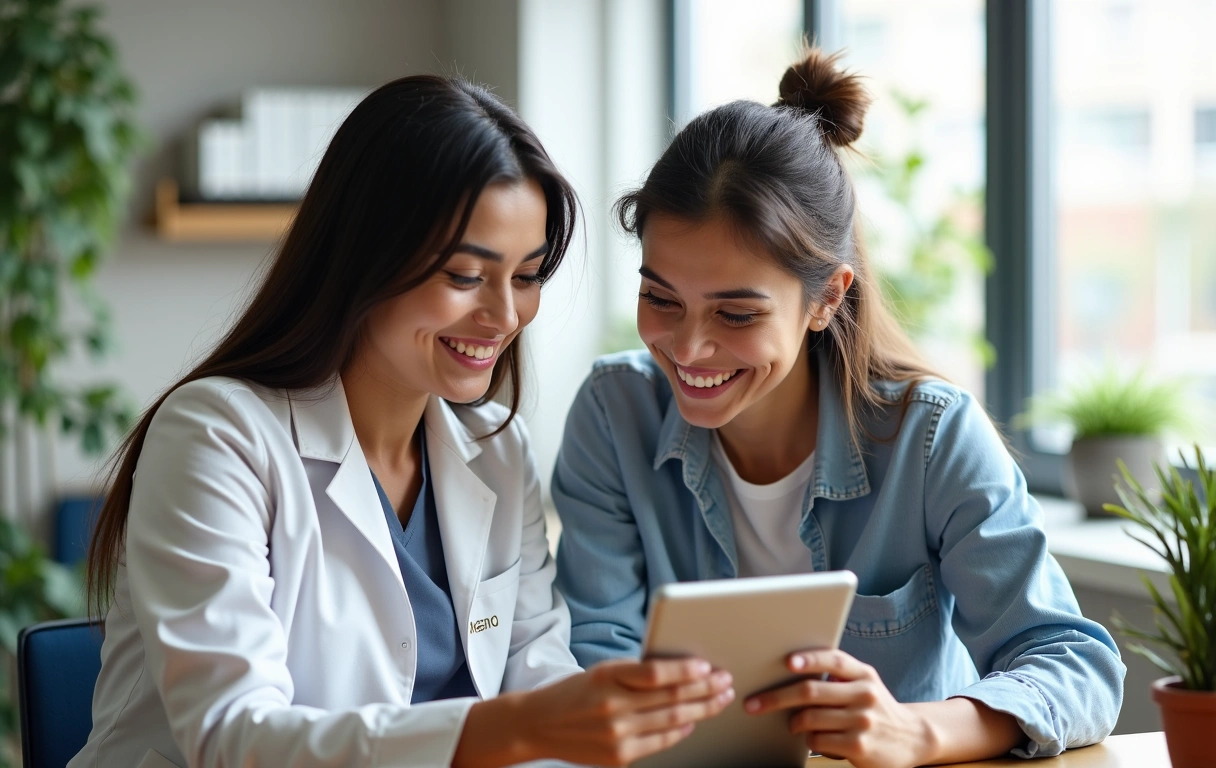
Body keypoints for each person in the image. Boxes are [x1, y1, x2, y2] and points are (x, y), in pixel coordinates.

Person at [72, 75, 733, 768]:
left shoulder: (497, 448)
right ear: (364, 257)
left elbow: (538, 669)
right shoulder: (215, 437)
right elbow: (234, 738)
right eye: (465, 276)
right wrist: (519, 729)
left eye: (526, 276)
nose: (504, 316)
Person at [551, 49, 1125, 768]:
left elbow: (1076, 664)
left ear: (826, 298)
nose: (689, 348)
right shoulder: (614, 414)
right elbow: (595, 659)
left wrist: (915, 731)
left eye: (736, 314)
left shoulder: (929, 436)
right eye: (660, 298)